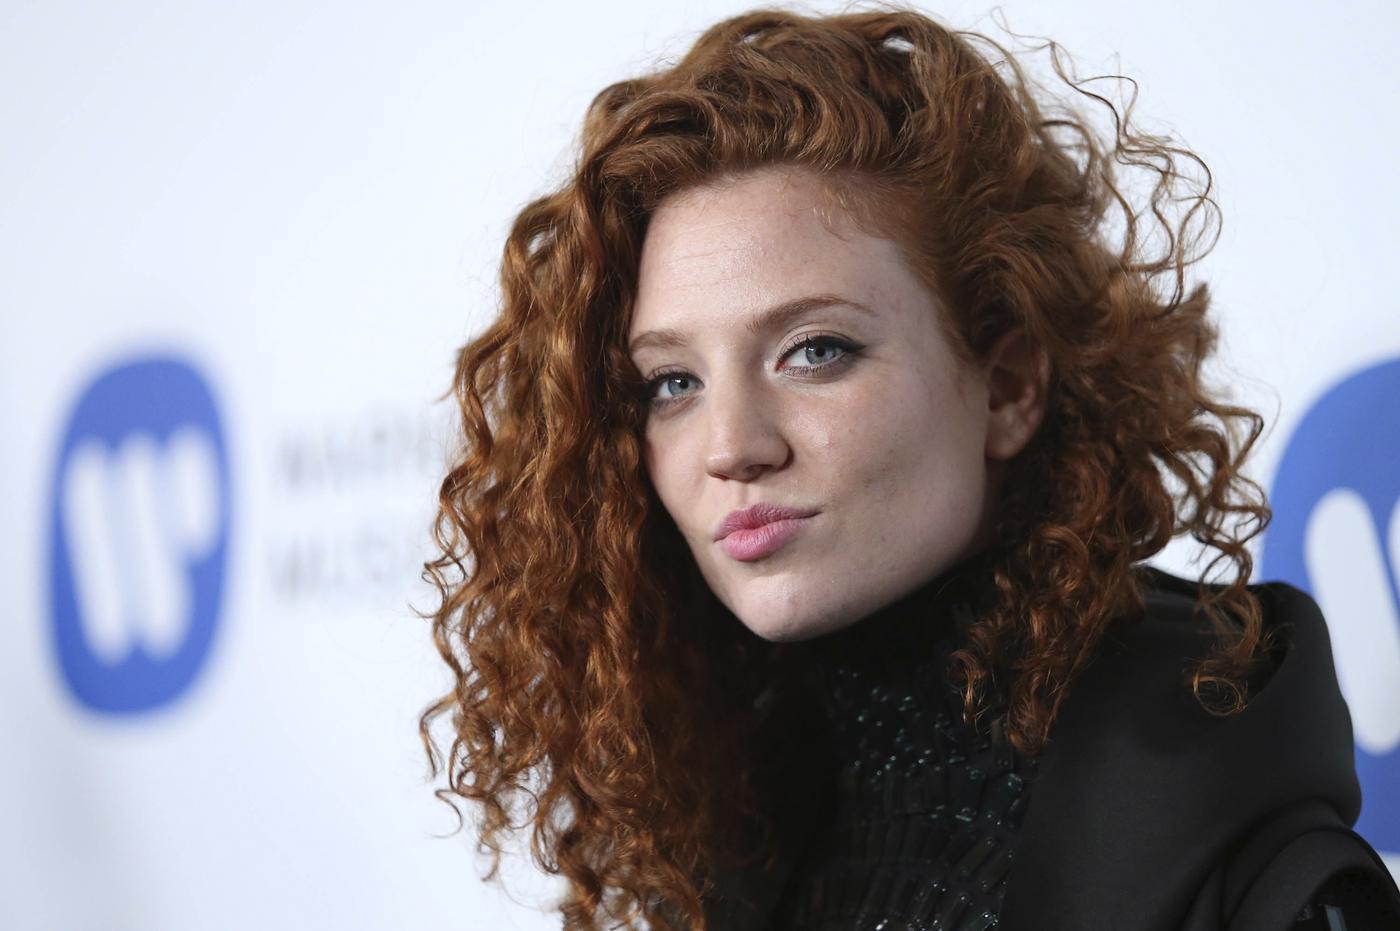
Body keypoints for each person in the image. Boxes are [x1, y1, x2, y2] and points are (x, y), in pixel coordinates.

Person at [417, 4, 1400, 929]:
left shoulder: (1230, 834)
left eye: (814, 351)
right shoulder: (733, 815)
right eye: (672, 382)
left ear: (1006, 386)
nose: (730, 446)